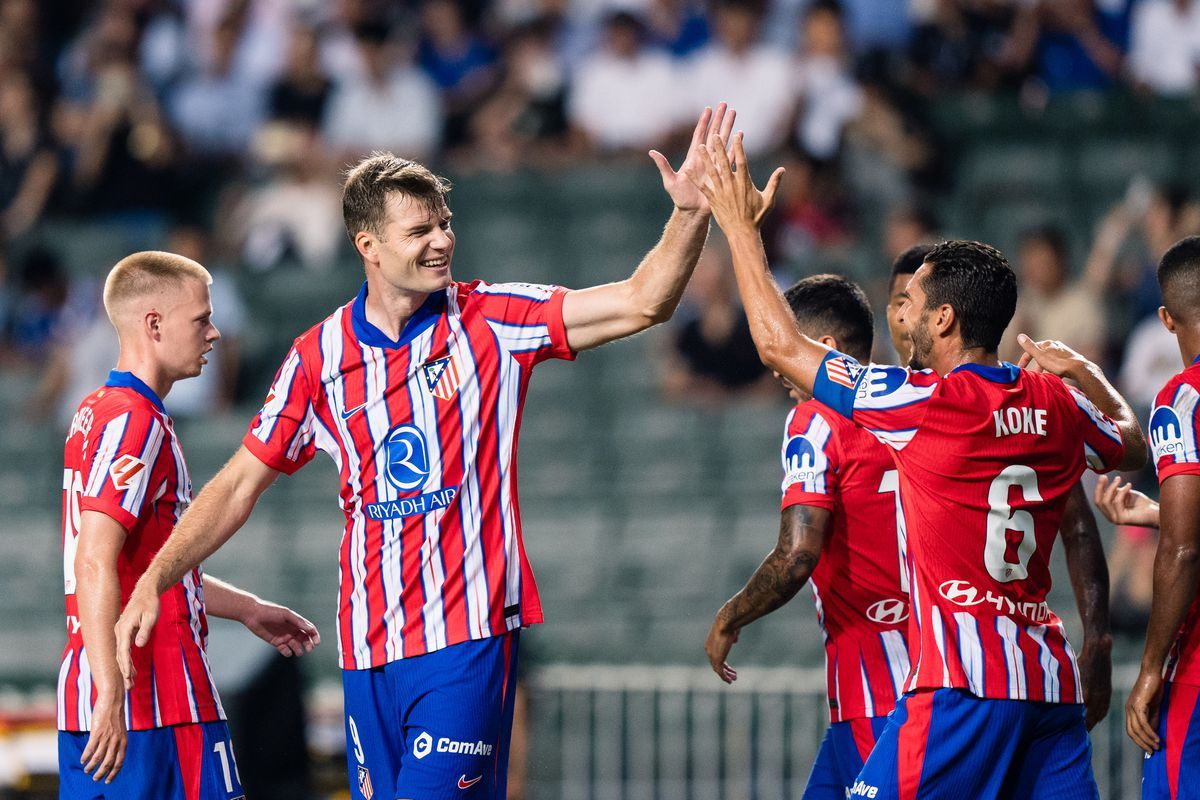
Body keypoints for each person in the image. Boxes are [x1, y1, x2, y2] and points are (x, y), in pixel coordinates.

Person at [114, 105, 738, 800]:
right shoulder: (318, 358)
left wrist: (688, 214)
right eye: (421, 229)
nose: (443, 240)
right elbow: (236, 486)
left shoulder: (494, 321)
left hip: (465, 645)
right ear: (369, 245)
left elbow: (641, 302)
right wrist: (155, 578)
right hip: (368, 654)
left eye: (445, 223)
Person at [691, 133, 1145, 798]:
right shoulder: (1052, 397)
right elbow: (1132, 446)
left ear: (946, 317)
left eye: (914, 302)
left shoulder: (925, 402)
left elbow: (777, 344)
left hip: (964, 684)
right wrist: (1089, 375)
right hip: (1046, 681)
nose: (901, 314)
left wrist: (738, 228)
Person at [58, 251, 319, 797]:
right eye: (201, 319)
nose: (216, 333)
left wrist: (246, 609)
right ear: (154, 324)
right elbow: (93, 559)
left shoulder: (95, 411)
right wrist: (113, 692)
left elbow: (138, 567)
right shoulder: (136, 420)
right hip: (154, 699)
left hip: (92, 700)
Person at [705, 274, 910, 799]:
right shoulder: (914, 403)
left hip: (877, 684)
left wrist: (730, 616)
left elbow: (797, 556)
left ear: (825, 349)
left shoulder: (814, 419)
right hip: (929, 664)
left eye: (784, 341)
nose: (775, 364)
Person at [1091, 235, 1200, 799]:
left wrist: (1153, 667)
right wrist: (1161, 514)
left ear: (1166, 318)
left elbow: (1186, 551)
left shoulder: (1181, 400)